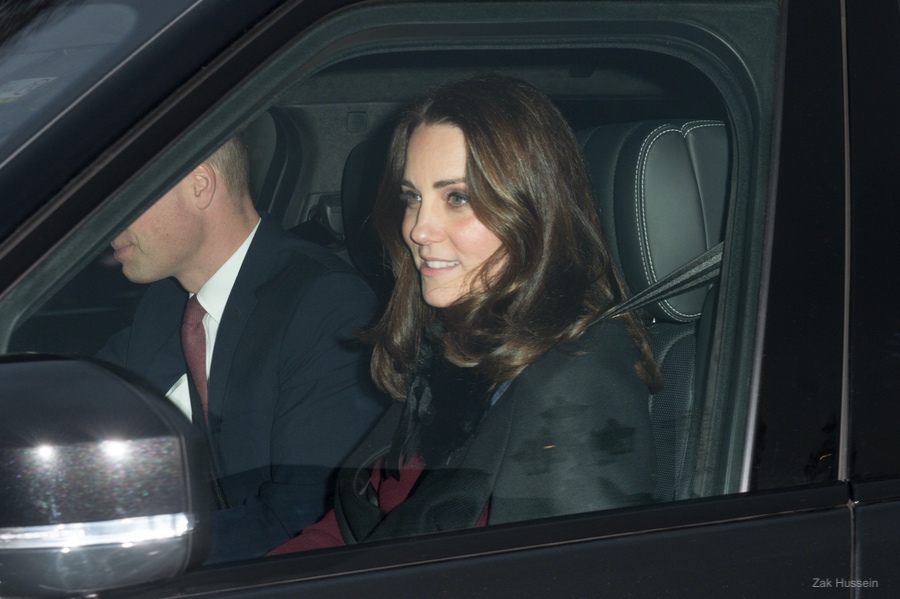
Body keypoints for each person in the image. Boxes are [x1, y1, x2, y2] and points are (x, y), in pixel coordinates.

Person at [269, 73, 658, 554]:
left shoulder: (575, 378)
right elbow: (359, 523)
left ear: (531, 208)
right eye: (412, 197)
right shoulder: (452, 342)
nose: (419, 228)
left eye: (458, 198)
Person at [96, 136, 385, 561]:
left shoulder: (327, 307)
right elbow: (86, 401)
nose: (104, 222)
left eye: (121, 196)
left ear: (200, 185)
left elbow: (304, 520)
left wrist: (119, 556)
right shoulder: (167, 300)